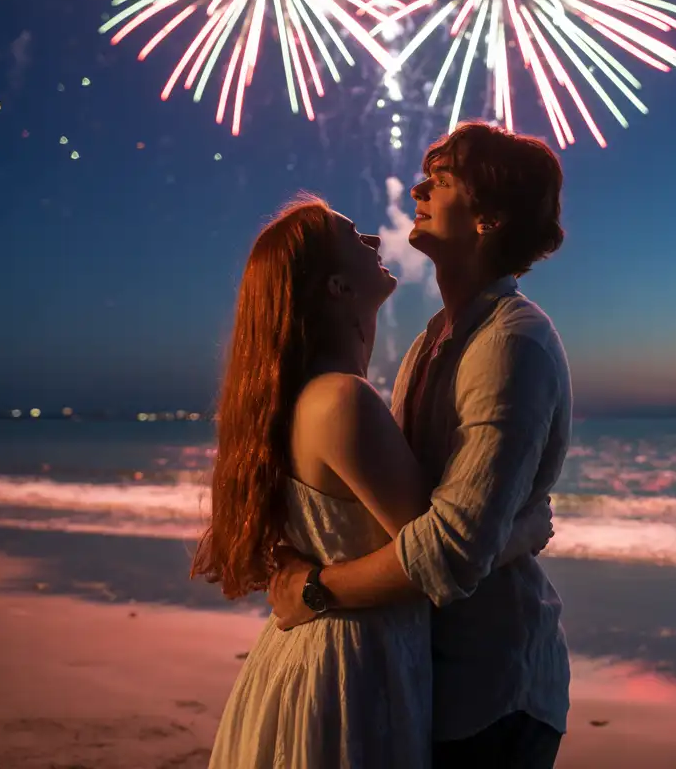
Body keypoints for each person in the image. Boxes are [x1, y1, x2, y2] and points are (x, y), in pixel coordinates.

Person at [194, 193, 554, 769]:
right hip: (349, 668)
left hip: (316, 653)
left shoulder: (303, 399)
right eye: (353, 236)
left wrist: (312, 586)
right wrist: (531, 525)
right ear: (336, 287)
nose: (372, 241)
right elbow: (440, 556)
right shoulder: (342, 399)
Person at [269, 122, 573, 769]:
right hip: (431, 678)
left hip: (492, 691)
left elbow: (452, 553)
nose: (416, 187)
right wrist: (518, 531)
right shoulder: (435, 341)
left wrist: (316, 589)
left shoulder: (511, 344)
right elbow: (425, 531)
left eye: (441, 178)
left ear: (488, 216)